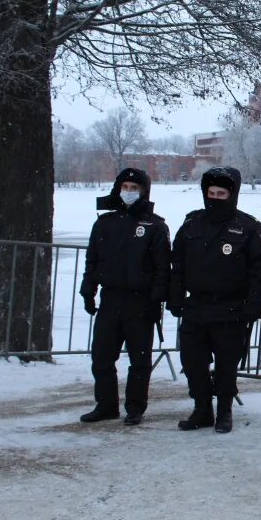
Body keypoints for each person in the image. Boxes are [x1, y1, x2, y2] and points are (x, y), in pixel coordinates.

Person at [168, 166, 261, 433]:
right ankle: (202, 408)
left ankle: (224, 410)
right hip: (197, 306)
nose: (215, 198)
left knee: (227, 364)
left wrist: (254, 306)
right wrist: (175, 297)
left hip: (231, 308)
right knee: (192, 362)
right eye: (211, 192)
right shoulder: (192, 223)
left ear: (232, 194)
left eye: (221, 193)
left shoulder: (247, 226)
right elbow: (177, 263)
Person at [79, 168, 170, 426]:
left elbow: (163, 268)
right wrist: (89, 288)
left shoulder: (155, 225)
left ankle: (135, 407)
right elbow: (92, 259)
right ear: (118, 188)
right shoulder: (105, 222)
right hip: (111, 298)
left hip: (140, 302)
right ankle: (106, 405)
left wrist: (156, 301)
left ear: (144, 191)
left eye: (135, 188)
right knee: (102, 356)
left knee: (139, 359)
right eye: (125, 187)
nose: (129, 192)